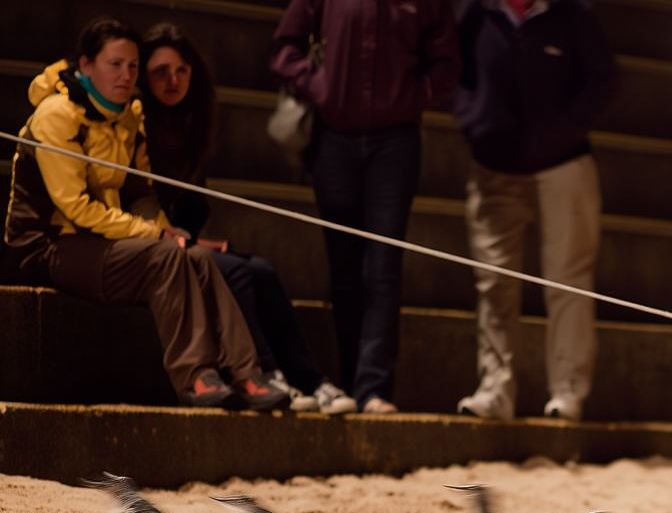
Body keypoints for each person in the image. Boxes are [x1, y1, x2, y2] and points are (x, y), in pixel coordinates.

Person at [4, 17, 287, 411]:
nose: (125, 75)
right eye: (114, 64)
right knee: (168, 255)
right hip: (49, 245)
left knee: (199, 258)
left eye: (132, 66)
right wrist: (156, 236)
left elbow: (140, 194)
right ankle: (196, 377)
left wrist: (168, 230)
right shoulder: (57, 115)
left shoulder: (128, 116)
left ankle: (247, 374)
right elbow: (75, 207)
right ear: (86, 65)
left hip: (102, 242)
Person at [139, 22, 356, 414]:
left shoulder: (190, 126)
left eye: (181, 71)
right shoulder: (136, 125)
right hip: (150, 245)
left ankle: (311, 380)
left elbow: (189, 210)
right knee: (235, 271)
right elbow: (136, 208)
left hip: (179, 242)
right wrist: (185, 240)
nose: (173, 80)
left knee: (261, 269)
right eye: (160, 72)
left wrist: (189, 237)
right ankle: (266, 375)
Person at [271, 0, 460, 414]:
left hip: (395, 143)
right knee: (344, 266)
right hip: (333, 140)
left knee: (384, 265)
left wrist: (410, 97)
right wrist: (320, 86)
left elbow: (447, 65)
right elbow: (284, 47)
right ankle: (350, 381)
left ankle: (373, 388)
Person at [452, 0, 616, 422]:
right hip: (493, 163)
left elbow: (602, 81)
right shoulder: (474, 14)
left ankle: (567, 391)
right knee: (494, 283)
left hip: (563, 163)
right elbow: (453, 71)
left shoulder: (573, 16)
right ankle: (494, 389)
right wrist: (475, 122)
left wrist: (561, 131)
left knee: (568, 280)